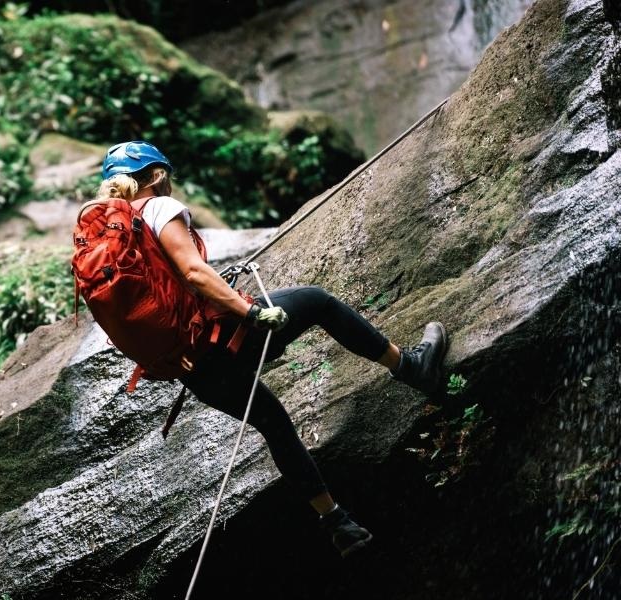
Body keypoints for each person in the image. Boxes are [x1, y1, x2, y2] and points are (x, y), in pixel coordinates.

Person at [96, 140, 448, 557]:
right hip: (224, 338)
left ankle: (339, 523)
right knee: (318, 301)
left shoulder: (106, 238)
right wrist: (249, 313)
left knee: (273, 423)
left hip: (192, 367)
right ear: (155, 176)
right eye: (166, 174)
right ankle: (411, 367)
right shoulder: (156, 210)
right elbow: (192, 271)